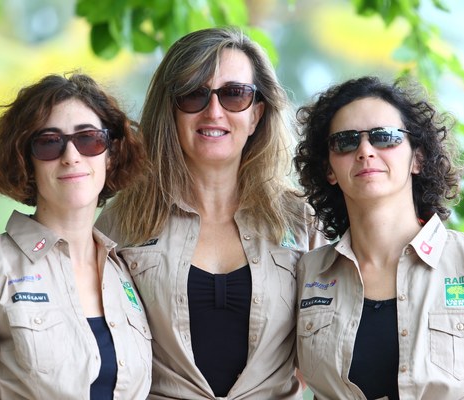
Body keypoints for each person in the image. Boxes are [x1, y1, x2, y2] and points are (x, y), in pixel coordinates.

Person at [95, 27, 325, 399]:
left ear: (256, 114)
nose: (213, 111)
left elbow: (324, 355)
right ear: (170, 111)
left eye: (235, 94)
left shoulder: (301, 221)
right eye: (193, 94)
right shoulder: (122, 222)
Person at [0, 73, 152, 399]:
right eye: (49, 142)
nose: (71, 156)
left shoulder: (127, 274)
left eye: (89, 139)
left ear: (110, 155)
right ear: (25, 161)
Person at [293, 75, 464, 399]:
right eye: (345, 142)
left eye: (385, 137)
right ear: (329, 169)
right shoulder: (307, 274)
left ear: (418, 158)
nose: (365, 151)